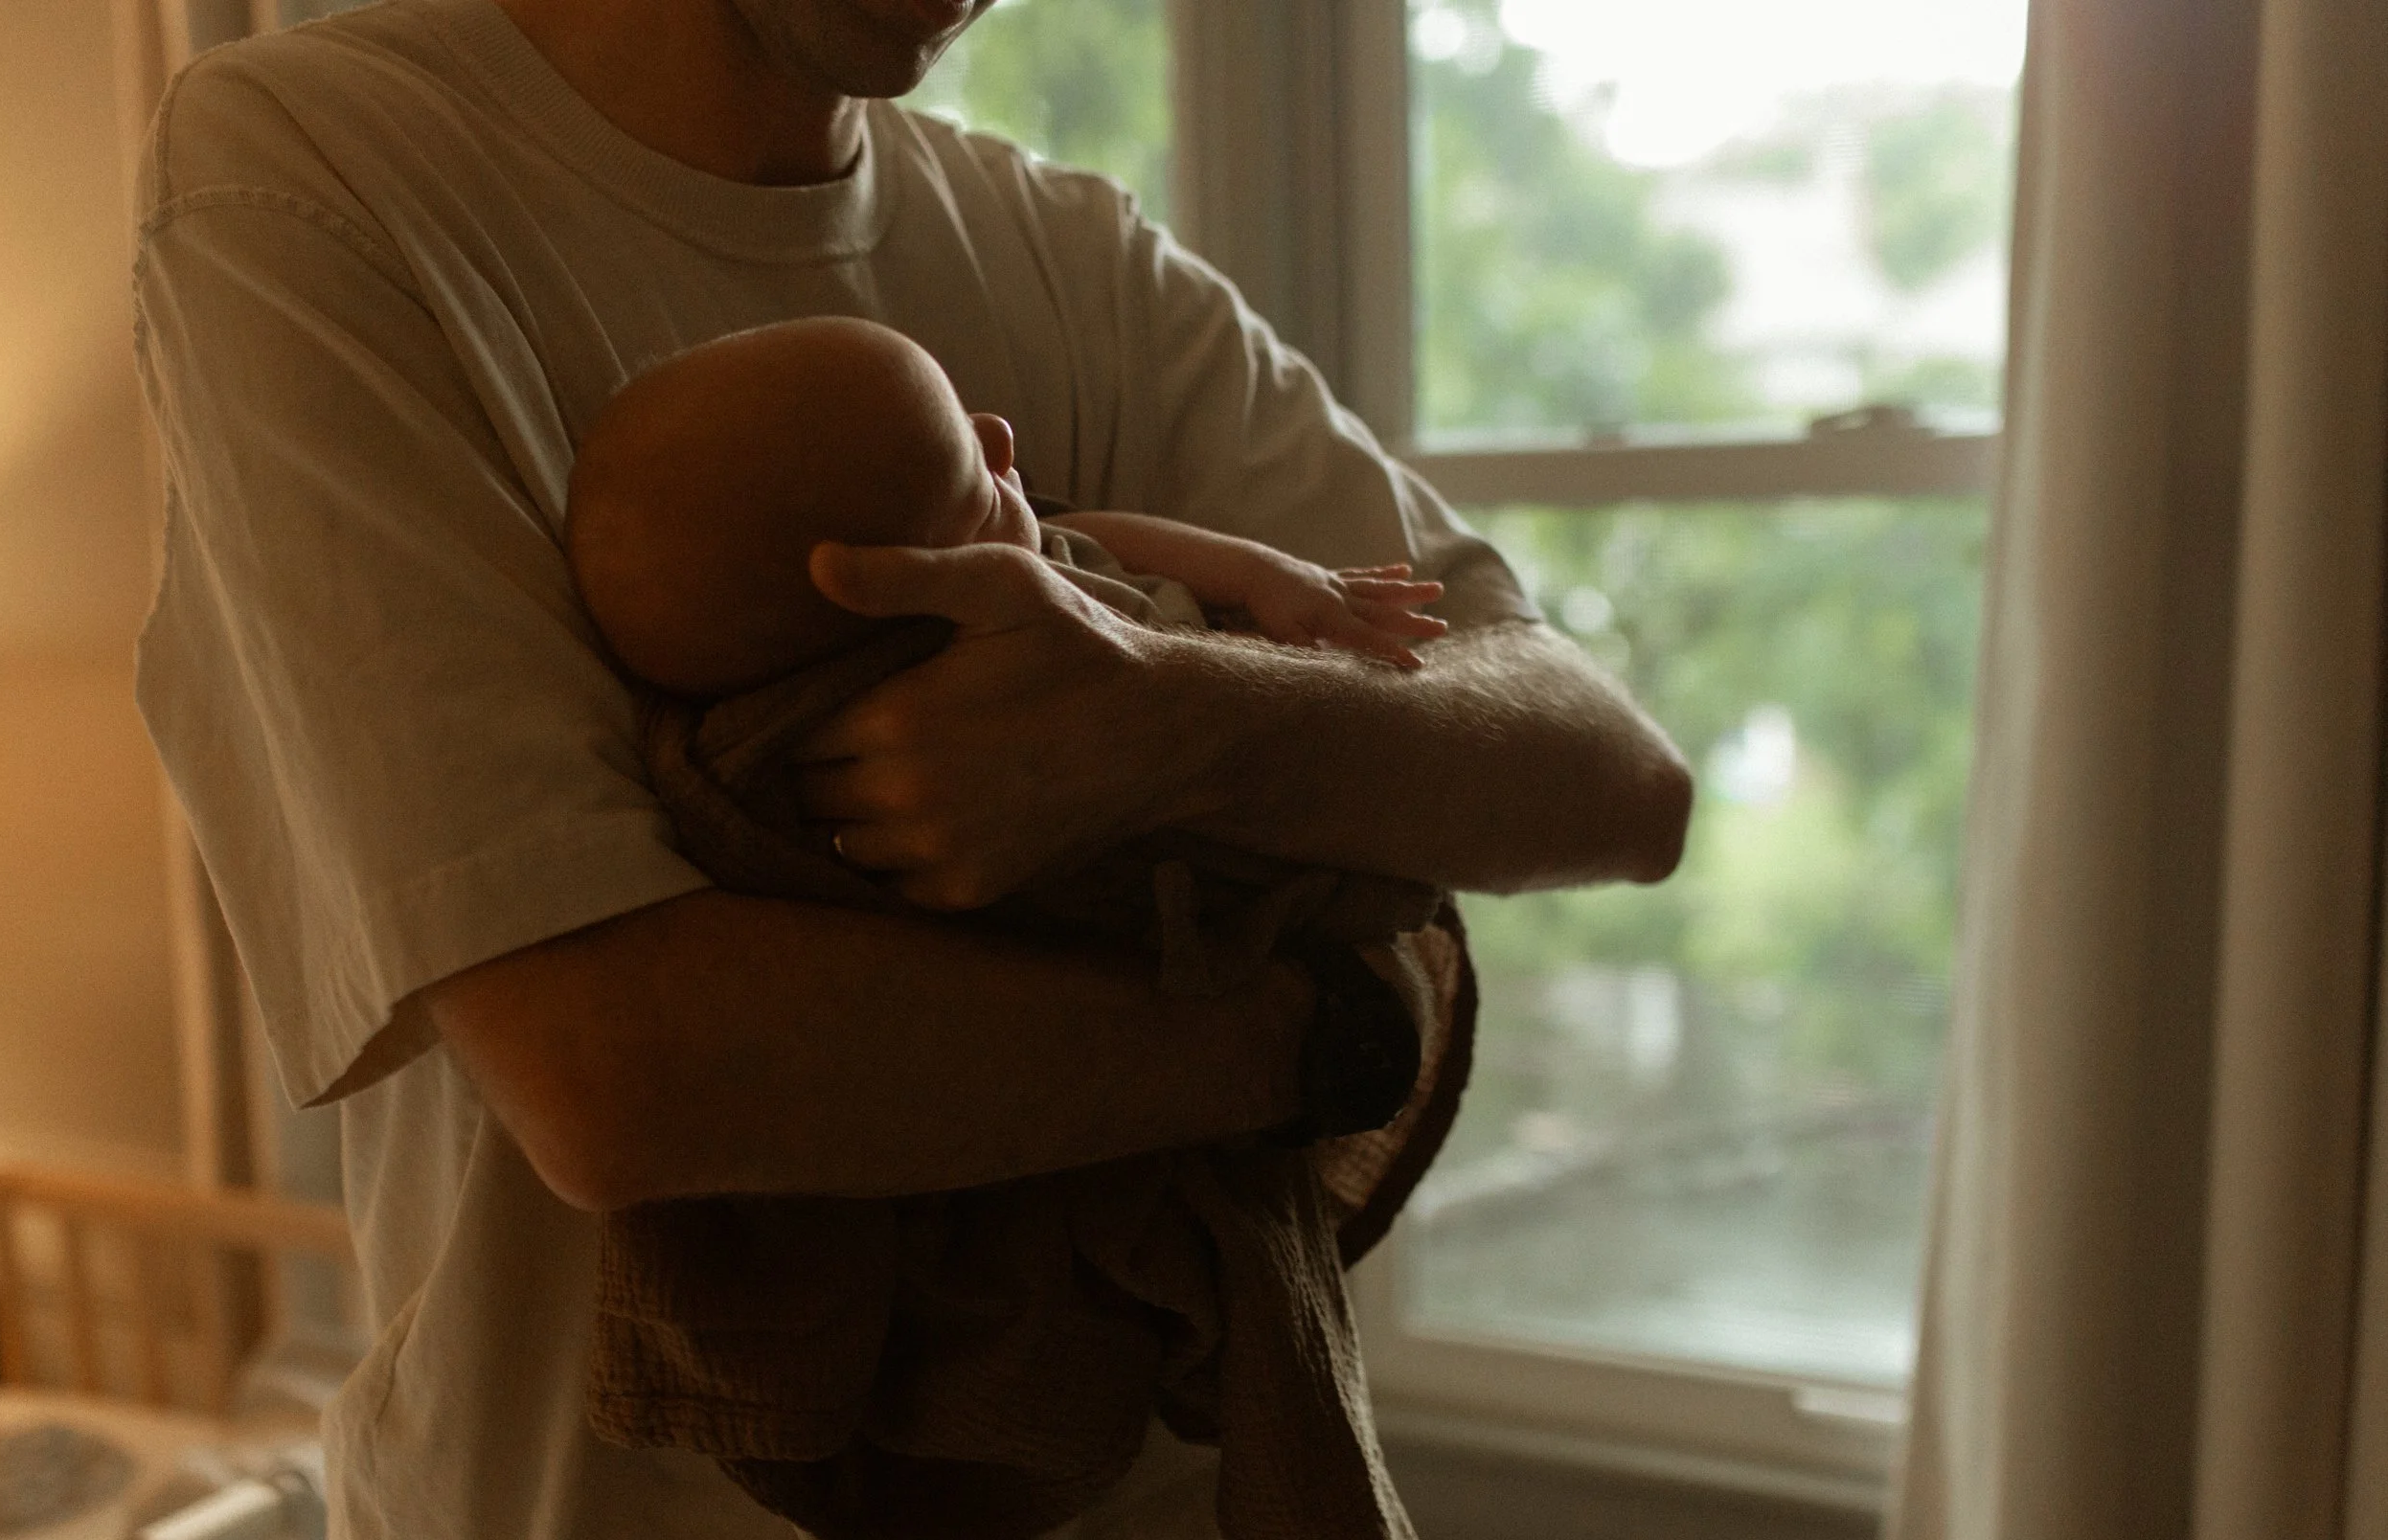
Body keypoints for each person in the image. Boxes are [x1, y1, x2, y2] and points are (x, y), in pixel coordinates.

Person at [129, 0, 1693, 1535]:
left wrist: (1174, 717)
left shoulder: (1066, 246)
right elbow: (625, 1073)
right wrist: (1327, 1029)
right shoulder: (313, 168)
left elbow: (1611, 770)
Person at [565, 314, 1453, 699]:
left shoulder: (1040, 559)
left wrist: (1268, 574)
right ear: (896, 594)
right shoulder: (966, 707)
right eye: (971, 475)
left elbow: (1094, 536)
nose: (1001, 435)